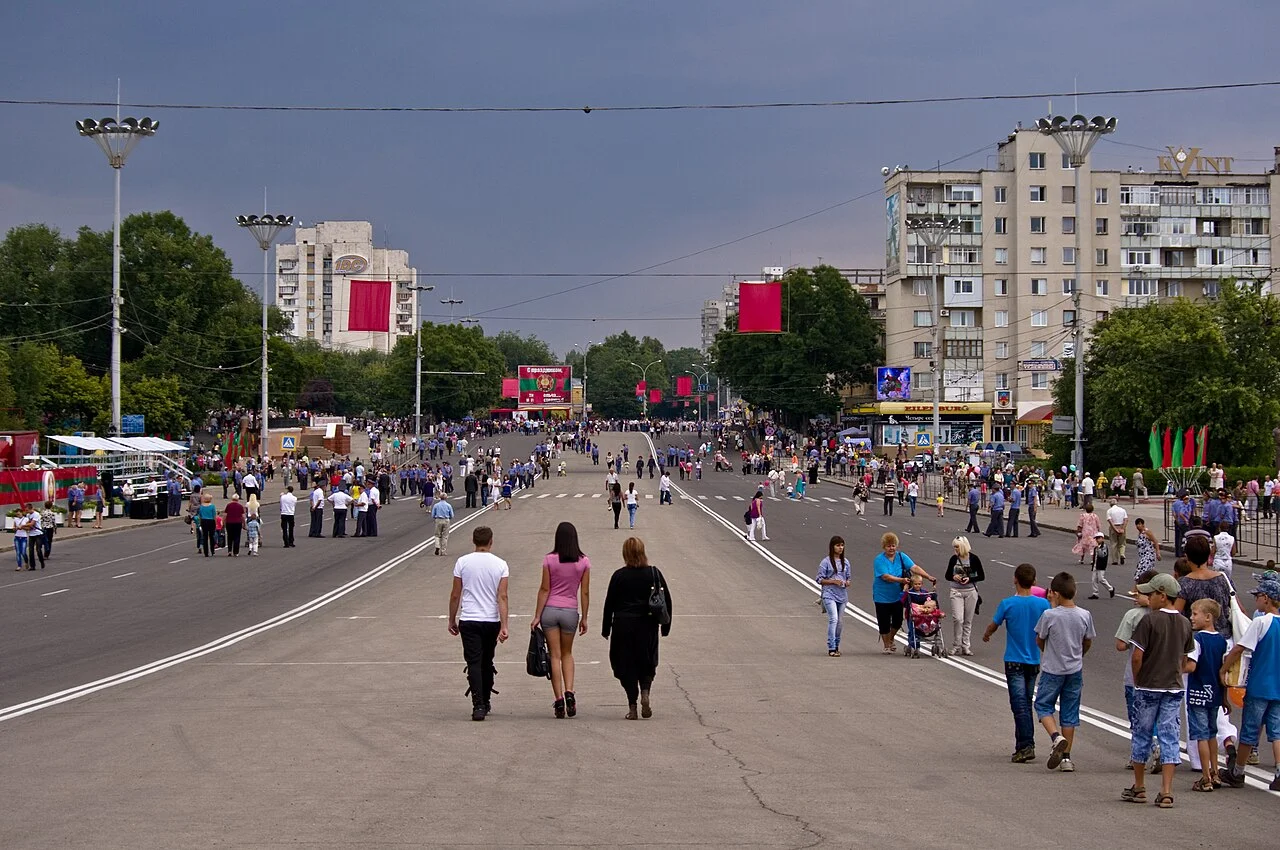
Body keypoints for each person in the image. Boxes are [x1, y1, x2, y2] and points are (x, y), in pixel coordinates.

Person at [1123, 573, 1195, 808]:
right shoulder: (1185, 623)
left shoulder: (1149, 621)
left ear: (1162, 596)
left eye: (1151, 594)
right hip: (1173, 687)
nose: (1148, 598)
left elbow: (1137, 656)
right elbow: (1185, 658)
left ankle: (1139, 786)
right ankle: (1166, 790)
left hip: (1148, 686)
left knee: (1142, 733)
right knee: (1169, 735)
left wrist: (1138, 680)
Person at [984, 563, 1051, 763]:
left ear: (1015, 579)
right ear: (1034, 581)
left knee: (1019, 705)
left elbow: (994, 624)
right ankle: (1021, 745)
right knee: (1025, 703)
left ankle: (1026, 745)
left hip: (1014, 660)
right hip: (1034, 660)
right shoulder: (1043, 605)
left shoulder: (1007, 604)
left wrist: (987, 634)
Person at [1219, 576, 1280, 791]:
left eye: (1258, 596)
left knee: (1249, 731)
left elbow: (1240, 648)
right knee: (1276, 732)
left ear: (1266, 598)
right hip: (1278, 687)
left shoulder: (1261, 622)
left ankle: (1238, 772)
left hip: (1259, 684)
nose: (1256, 600)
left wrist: (1224, 669)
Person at [601, 537, 672, 720]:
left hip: (623, 626)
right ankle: (645, 691)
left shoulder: (619, 576)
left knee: (625, 664)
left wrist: (606, 628)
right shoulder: (653, 573)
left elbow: (609, 603)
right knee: (646, 661)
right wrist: (665, 626)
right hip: (647, 625)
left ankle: (632, 706)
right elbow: (666, 600)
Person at [1035, 571, 1096, 774]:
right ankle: (1067, 759)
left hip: (1052, 669)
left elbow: (1040, 638)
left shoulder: (1049, 615)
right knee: (1069, 712)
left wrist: (1048, 652)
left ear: (1055, 593)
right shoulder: (1085, 615)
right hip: (1075, 669)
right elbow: (1087, 641)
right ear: (1074, 592)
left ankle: (1056, 737)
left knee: (1043, 705)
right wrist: (1079, 655)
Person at [448, 526, 510, 721]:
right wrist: (504, 625)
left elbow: (455, 594)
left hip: (469, 618)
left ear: (473, 541)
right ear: (491, 541)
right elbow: (502, 596)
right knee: (487, 661)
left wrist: (451, 619)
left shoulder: (462, 562)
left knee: (473, 662)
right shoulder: (501, 565)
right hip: (491, 620)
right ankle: (486, 698)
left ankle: (478, 704)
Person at [531, 522, 591, 719]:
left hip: (550, 610)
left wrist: (537, 616)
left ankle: (558, 700)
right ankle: (570, 693)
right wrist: (584, 617)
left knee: (554, 656)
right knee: (567, 653)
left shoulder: (549, 560)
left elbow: (544, 589)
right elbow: (584, 592)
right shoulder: (583, 562)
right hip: (570, 611)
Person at [1186, 598, 1228, 793]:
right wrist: (1224, 697)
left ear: (1208, 617)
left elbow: (1191, 666)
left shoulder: (1197, 640)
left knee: (1201, 736)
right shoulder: (1222, 641)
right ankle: (1215, 772)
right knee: (1212, 734)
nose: (1191, 617)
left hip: (1198, 693)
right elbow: (1223, 672)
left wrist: (1177, 666)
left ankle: (1205, 777)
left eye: (1195, 614)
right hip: (1215, 694)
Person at [872, 533, 935, 654]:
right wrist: (901, 580)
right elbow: (885, 576)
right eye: (888, 546)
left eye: (893, 545)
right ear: (884, 547)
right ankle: (886, 644)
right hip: (882, 595)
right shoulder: (879, 560)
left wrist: (928, 576)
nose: (891, 548)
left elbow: (914, 567)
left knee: (898, 620)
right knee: (884, 621)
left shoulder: (901, 556)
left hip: (898, 595)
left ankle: (891, 638)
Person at [945, 536, 985, 656]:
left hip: (970, 591)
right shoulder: (953, 559)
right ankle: (956, 645)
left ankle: (965, 645)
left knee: (968, 620)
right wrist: (954, 576)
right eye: (954, 547)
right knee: (958, 619)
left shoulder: (974, 559)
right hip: (956, 591)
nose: (955, 549)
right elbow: (947, 575)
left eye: (957, 547)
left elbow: (981, 575)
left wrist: (969, 578)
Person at [816, 536, 851, 657]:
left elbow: (848, 578)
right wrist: (833, 581)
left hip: (842, 595)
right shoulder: (825, 562)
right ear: (832, 547)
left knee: (840, 622)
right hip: (829, 594)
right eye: (838, 545)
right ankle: (831, 647)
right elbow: (819, 579)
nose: (840, 548)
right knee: (833, 619)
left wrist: (846, 582)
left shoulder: (846, 562)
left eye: (842, 545)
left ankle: (836, 645)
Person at [1087, 531, 1115, 600]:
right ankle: (1095, 593)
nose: (1097, 540)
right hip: (1095, 565)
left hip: (1101, 565)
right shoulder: (1096, 547)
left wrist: (1098, 549)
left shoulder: (1104, 547)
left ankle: (1110, 588)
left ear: (1102, 538)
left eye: (1099, 538)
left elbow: (1102, 555)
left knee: (1101, 579)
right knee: (1094, 579)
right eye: (1096, 538)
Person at [1106, 498, 1129, 568]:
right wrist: (1123, 528)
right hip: (1121, 525)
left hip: (1114, 527)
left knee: (1114, 543)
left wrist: (1115, 529)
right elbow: (1126, 519)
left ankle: (1115, 560)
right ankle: (1122, 554)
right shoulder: (1122, 510)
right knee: (1122, 543)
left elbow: (1110, 521)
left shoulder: (1109, 511)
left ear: (1110, 504)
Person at [197, 493, 217, 557]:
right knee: (211, 536)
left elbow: (200, 515)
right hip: (211, 521)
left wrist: (200, 522)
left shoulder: (201, 507)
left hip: (204, 521)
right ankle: (212, 550)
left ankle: (206, 552)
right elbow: (214, 515)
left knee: (205, 537)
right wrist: (216, 523)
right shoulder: (212, 506)